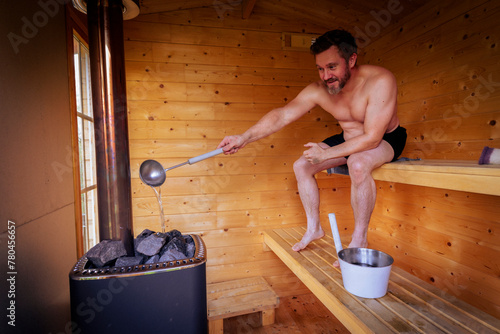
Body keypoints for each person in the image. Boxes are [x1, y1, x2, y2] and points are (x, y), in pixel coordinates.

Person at [217, 30, 406, 264]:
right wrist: (243, 137)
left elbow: (372, 139)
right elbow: (282, 115)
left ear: (352, 60)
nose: (326, 76)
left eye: (332, 67)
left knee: (357, 163)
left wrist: (326, 153)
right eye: (320, 68)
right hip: (349, 138)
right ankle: (314, 228)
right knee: (301, 166)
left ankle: (359, 239)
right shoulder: (319, 89)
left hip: (386, 138)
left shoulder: (380, 81)